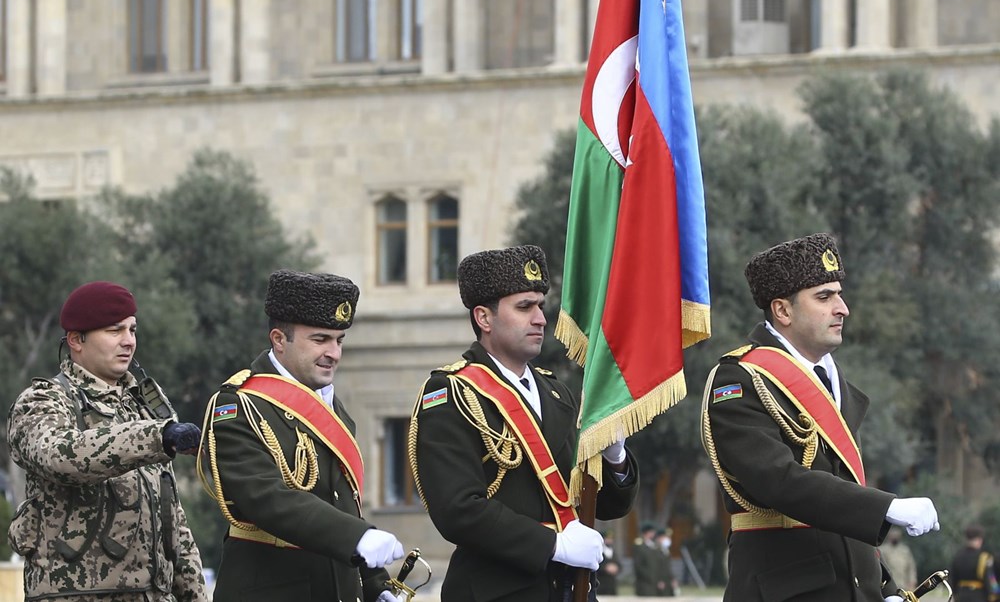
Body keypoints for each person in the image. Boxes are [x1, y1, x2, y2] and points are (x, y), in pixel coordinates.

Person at [700, 233, 941, 602]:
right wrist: (886, 506)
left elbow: (843, 499)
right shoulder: (740, 379)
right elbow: (779, 481)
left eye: (839, 295)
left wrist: (885, 588)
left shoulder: (832, 379)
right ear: (782, 311)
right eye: (824, 297)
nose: (842, 308)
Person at [408, 244, 639, 601]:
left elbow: (604, 504)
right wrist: (552, 544)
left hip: (569, 589)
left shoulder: (557, 392)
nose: (540, 319)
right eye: (524, 307)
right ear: (484, 318)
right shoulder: (451, 393)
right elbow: (458, 509)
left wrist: (615, 457)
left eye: (540, 306)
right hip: (498, 591)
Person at [199, 270, 404, 602]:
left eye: (339, 340)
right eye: (320, 339)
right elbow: (266, 497)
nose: (334, 353)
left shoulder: (331, 406)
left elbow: (343, 505)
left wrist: (374, 584)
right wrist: (357, 537)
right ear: (279, 340)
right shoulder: (239, 405)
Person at [7, 281, 208, 601]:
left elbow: (174, 522)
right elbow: (60, 457)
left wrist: (194, 595)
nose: (128, 341)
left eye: (132, 330)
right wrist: (156, 436)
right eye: (115, 331)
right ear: (76, 340)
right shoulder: (44, 401)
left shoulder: (141, 407)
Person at [951, 524, 1000, 601]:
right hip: (979, 597)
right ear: (980, 539)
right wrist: (995, 595)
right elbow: (990, 579)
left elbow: (953, 579)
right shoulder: (984, 557)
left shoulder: (958, 556)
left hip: (961, 596)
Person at [633, 523, 671, 597]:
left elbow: (658, 565)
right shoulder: (640, 546)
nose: (653, 534)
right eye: (652, 532)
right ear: (647, 532)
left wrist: (658, 579)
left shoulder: (654, 546)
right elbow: (639, 565)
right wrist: (650, 577)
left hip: (654, 582)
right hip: (645, 583)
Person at [879, 527, 917, 591]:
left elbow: (911, 567)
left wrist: (912, 581)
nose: (895, 537)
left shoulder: (904, 550)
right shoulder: (883, 550)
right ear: (889, 536)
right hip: (888, 585)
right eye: (893, 535)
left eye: (897, 535)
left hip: (903, 584)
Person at [598, 530, 621, 595]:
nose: (610, 540)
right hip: (601, 583)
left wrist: (616, 568)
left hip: (612, 585)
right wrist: (605, 568)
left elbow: (619, 564)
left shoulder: (613, 552)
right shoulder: (599, 551)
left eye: (611, 539)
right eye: (608, 538)